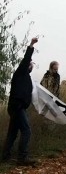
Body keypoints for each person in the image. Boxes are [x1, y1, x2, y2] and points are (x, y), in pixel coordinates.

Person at [1, 37, 38, 166]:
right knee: (26, 130)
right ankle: (22, 157)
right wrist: (31, 45)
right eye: (31, 64)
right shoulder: (21, 72)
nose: (32, 65)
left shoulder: (26, 77)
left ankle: (5, 155)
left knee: (12, 132)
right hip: (17, 107)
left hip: (17, 106)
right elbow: (26, 59)